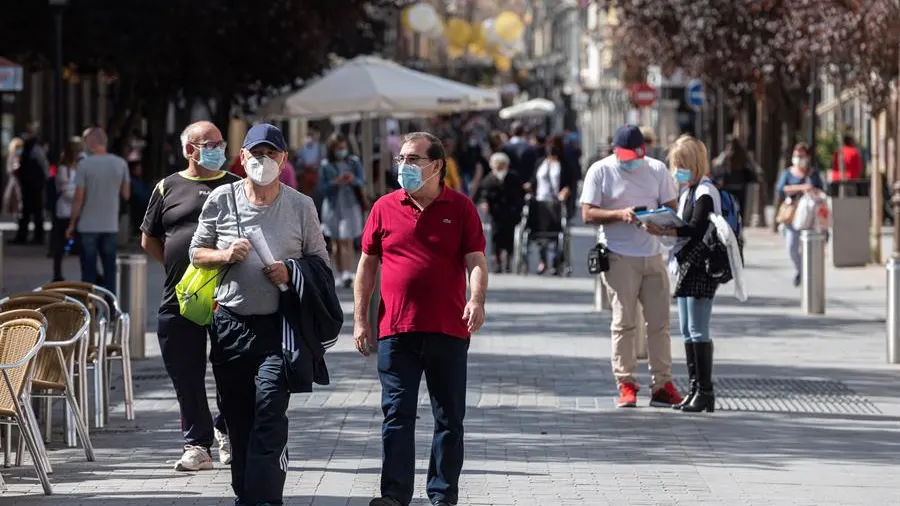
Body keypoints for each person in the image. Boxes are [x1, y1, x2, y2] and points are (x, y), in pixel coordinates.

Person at [190, 123, 328, 506]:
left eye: (272, 154)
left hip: (278, 329)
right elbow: (196, 252)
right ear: (244, 157)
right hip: (230, 324)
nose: (263, 161)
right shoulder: (221, 199)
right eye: (256, 153)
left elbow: (321, 262)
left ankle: (266, 498)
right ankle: (246, 495)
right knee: (238, 418)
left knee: (268, 409)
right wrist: (223, 255)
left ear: (284, 159)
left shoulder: (301, 205)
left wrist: (292, 270)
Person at [354, 131, 488, 506]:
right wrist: (361, 319)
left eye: (412, 159)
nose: (404, 166)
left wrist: (477, 300)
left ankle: (442, 495)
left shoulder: (460, 208)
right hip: (396, 331)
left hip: (448, 329)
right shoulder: (384, 207)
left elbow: (476, 260)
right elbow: (367, 265)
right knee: (397, 415)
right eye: (401, 159)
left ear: (436, 166)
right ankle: (394, 495)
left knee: (449, 419)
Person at [141, 121, 239, 472]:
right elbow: (149, 238)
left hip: (229, 296)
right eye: (208, 143)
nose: (217, 148)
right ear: (189, 150)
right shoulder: (168, 187)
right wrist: (178, 269)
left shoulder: (236, 186)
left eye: (220, 143)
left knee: (232, 368)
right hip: (178, 297)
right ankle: (198, 444)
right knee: (186, 372)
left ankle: (227, 428)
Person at [580, 124, 684, 408]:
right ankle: (626, 383)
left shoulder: (656, 170)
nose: (627, 161)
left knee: (659, 323)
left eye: (632, 156)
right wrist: (618, 214)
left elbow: (671, 208)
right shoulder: (601, 170)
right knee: (624, 322)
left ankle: (662, 383)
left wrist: (657, 221)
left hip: (652, 255)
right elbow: (587, 213)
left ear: (643, 151)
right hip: (618, 255)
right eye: (622, 155)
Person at [644, 135, 719, 413]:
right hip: (686, 264)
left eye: (680, 165)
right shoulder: (689, 191)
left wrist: (663, 229)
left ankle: (705, 391)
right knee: (688, 330)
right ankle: (694, 388)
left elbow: (696, 229)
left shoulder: (705, 192)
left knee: (698, 329)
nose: (676, 171)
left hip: (701, 266)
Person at [65, 127, 130, 294]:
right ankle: (111, 309)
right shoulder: (120, 163)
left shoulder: (84, 165)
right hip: (110, 225)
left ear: (91, 143)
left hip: (88, 226)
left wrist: (72, 224)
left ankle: (89, 309)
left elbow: (79, 198)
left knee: (88, 273)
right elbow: (126, 194)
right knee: (110, 271)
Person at [319, 133, 365, 289]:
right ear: (332, 149)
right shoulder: (326, 164)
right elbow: (321, 188)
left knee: (347, 239)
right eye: (338, 148)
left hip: (350, 204)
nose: (341, 150)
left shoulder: (354, 162)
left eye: (343, 147)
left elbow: (361, 181)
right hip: (332, 206)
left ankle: (347, 272)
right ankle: (340, 273)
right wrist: (335, 182)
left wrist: (352, 180)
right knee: (336, 241)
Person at [527, 135, 577, 275]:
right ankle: (543, 261)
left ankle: (556, 261)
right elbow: (533, 180)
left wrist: (565, 192)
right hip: (540, 203)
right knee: (539, 232)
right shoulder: (540, 162)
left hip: (556, 204)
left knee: (557, 233)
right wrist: (528, 186)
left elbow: (569, 184)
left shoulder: (565, 165)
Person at [777, 142, 825, 287]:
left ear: (807, 157)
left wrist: (811, 190)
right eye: (796, 156)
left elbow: (821, 190)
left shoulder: (813, 173)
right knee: (792, 246)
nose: (798, 159)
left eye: (801, 156)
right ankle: (801, 269)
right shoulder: (787, 173)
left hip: (809, 214)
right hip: (792, 213)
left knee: (808, 245)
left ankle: (806, 272)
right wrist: (801, 187)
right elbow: (780, 189)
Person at [475, 152, 524, 273]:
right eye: (496, 164)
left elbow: (520, 195)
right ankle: (497, 261)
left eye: (501, 165)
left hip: (510, 213)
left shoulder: (513, 177)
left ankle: (508, 261)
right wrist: (484, 203)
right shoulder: (488, 180)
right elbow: (482, 195)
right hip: (495, 214)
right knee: (495, 238)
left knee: (509, 237)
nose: (499, 167)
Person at [12, 122, 49, 245]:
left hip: (35, 183)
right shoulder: (27, 144)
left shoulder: (37, 146)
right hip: (28, 182)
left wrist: (46, 177)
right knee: (26, 211)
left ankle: (37, 237)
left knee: (36, 211)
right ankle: (23, 235)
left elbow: (43, 163)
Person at [51, 137, 82, 281]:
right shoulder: (63, 168)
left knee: (83, 244)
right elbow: (64, 189)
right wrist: (79, 196)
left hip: (79, 209)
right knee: (60, 243)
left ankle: (92, 273)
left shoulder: (81, 165)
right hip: (64, 210)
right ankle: (57, 274)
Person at [711, 136, 758, 218]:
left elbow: (717, 163)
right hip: (740, 184)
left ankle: (731, 221)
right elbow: (751, 164)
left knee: (728, 205)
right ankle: (739, 221)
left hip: (729, 184)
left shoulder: (727, 154)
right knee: (740, 206)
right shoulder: (742, 153)